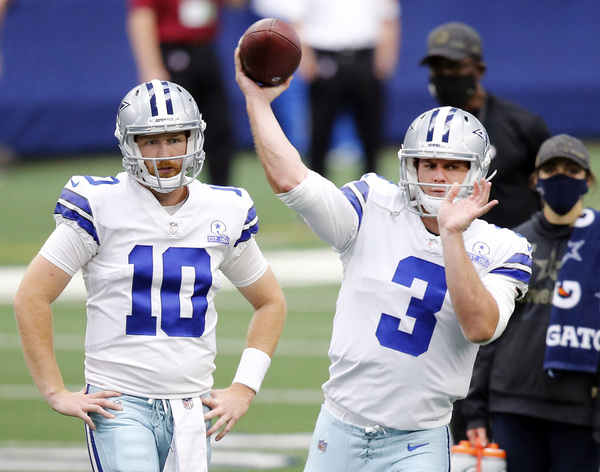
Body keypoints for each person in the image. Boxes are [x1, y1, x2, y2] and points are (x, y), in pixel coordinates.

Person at [235, 47, 532, 470]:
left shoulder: (505, 248)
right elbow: (290, 180)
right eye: (428, 164)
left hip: (418, 440)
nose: (438, 176)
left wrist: (451, 235)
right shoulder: (373, 203)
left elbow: (480, 327)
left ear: (477, 173)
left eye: (453, 166)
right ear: (409, 166)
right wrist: (257, 101)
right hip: (339, 425)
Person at [13, 80, 286, 472]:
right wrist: (55, 390)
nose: (165, 154)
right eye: (150, 141)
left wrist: (245, 386)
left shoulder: (224, 209)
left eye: (175, 139)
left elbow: (270, 301)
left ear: (194, 138)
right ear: (129, 144)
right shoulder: (99, 204)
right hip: (119, 402)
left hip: (192, 407)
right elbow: (31, 295)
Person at [463, 134, 600, 471]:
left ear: (588, 180)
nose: (561, 177)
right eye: (551, 170)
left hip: (580, 409)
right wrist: (475, 409)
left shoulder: (597, 242)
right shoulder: (513, 243)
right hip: (513, 404)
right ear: (535, 179)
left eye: (572, 170)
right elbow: (490, 328)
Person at [420, 21, 551, 230]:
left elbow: (551, 189)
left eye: (454, 66)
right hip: (455, 242)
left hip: (515, 242)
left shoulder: (523, 126)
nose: (445, 74)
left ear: (479, 70)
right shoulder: (428, 131)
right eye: (437, 68)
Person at [127, 0, 246, 186]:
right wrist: (151, 67)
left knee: (218, 127)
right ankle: (166, 190)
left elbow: (237, 4)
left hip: (205, 49)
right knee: (170, 130)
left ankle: (221, 189)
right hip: (172, 51)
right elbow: (142, 16)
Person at [287, 0, 401, 177]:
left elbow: (389, 17)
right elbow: (297, 19)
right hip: (325, 59)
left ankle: (373, 187)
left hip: (365, 58)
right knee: (319, 134)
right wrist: (306, 59)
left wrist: (385, 61)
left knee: (371, 134)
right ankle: (317, 188)